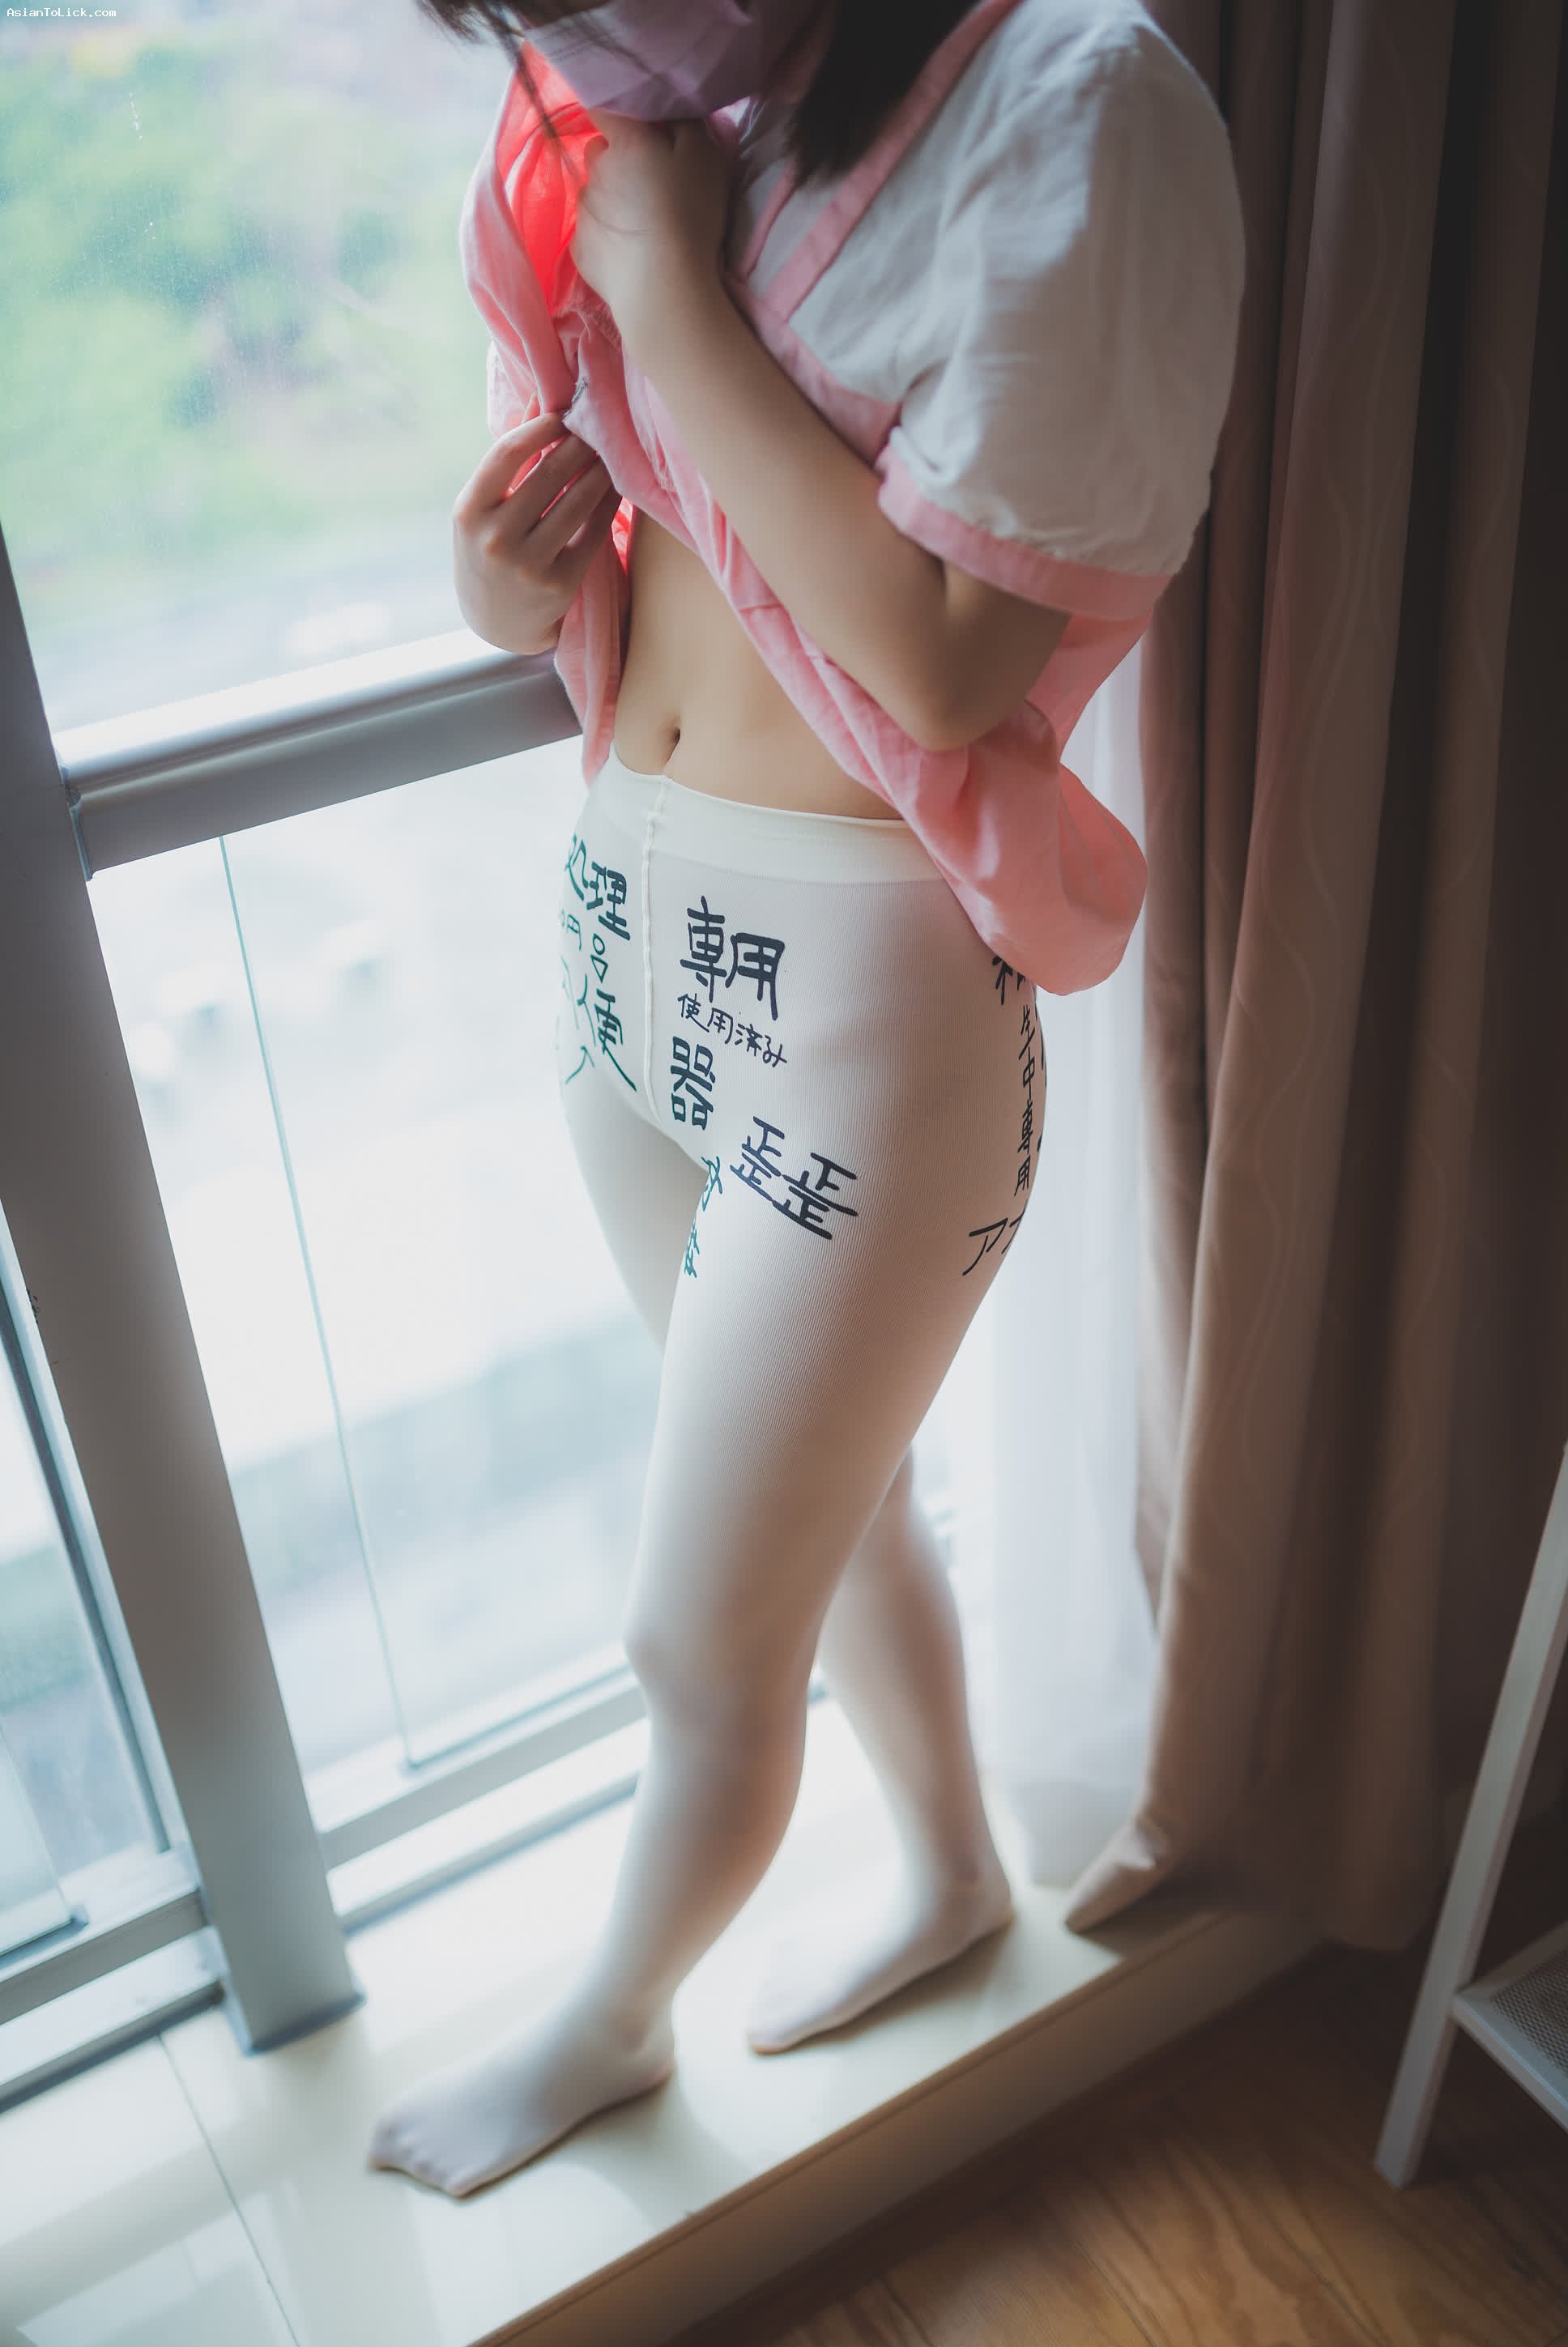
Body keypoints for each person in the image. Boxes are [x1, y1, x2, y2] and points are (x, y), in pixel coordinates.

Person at [368, 0, 1245, 2198]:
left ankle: (610, 2028)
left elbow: (945, 661)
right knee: (834, 1511)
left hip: (860, 998)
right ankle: (949, 1868)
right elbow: (640, 537)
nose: (559, 32)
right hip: (627, 921)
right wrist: (501, 583)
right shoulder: (666, 108)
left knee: (697, 1632)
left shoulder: (1077, 102)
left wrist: (669, 298)